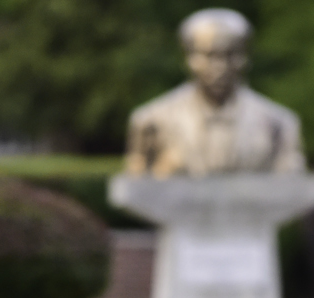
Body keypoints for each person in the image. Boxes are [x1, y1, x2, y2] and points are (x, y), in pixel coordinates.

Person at [123, 8, 304, 178]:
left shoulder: (279, 123)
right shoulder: (150, 121)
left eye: (231, 54)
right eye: (209, 55)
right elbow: (134, 184)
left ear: (246, 56)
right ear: (187, 57)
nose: (220, 67)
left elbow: (292, 185)